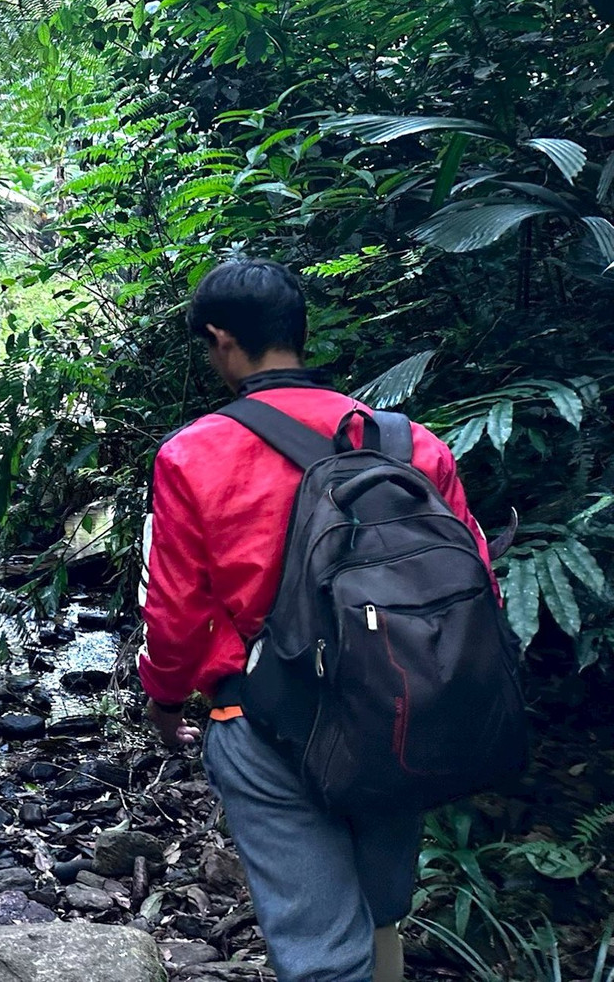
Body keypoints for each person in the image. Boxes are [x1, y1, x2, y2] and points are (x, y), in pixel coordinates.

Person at [141, 259, 492, 982]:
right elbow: (477, 580)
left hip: (267, 717)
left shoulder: (193, 454)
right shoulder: (409, 443)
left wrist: (165, 702)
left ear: (220, 340)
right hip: (404, 704)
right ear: (300, 334)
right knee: (381, 903)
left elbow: (175, 613)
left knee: (319, 942)